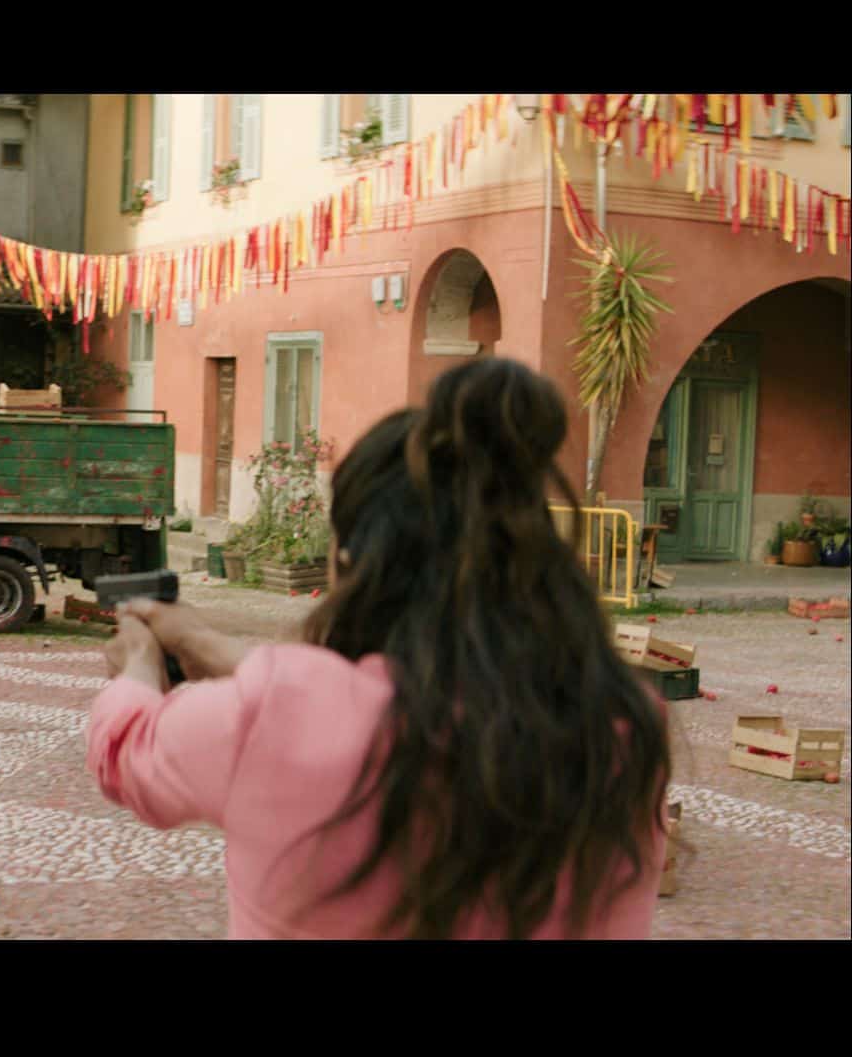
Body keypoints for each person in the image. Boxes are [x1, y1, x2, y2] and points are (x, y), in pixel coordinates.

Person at [89, 358, 673, 939]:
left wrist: (139, 664)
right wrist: (212, 647)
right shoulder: (624, 725)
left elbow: (127, 752)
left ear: (354, 565)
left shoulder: (278, 713)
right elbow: (387, 704)